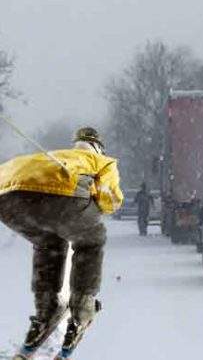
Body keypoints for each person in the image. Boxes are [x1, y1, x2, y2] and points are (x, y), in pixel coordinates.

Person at [0, 127, 123, 353]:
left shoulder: (52, 158)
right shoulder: (101, 161)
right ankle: (82, 311)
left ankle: (46, 310)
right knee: (91, 241)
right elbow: (110, 200)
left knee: (48, 242)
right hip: (61, 200)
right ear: (98, 146)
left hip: (7, 199)